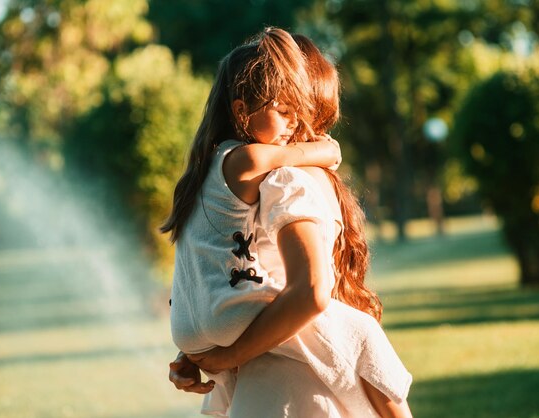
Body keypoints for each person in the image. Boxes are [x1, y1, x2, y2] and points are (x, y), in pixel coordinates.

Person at [163, 28, 412, 417]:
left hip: (221, 342)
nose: (293, 123)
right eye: (283, 108)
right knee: (360, 334)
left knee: (351, 333)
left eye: (295, 108)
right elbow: (311, 291)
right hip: (277, 372)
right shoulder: (271, 172)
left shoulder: (214, 171)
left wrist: (209, 350)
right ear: (242, 111)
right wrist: (323, 150)